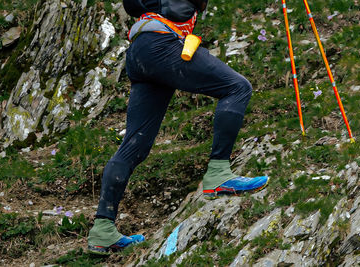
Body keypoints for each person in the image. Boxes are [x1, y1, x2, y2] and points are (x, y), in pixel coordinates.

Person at [87, 0, 269, 255]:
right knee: (237, 88)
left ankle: (102, 229)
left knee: (135, 144)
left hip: (140, 49)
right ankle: (219, 174)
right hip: (162, 43)